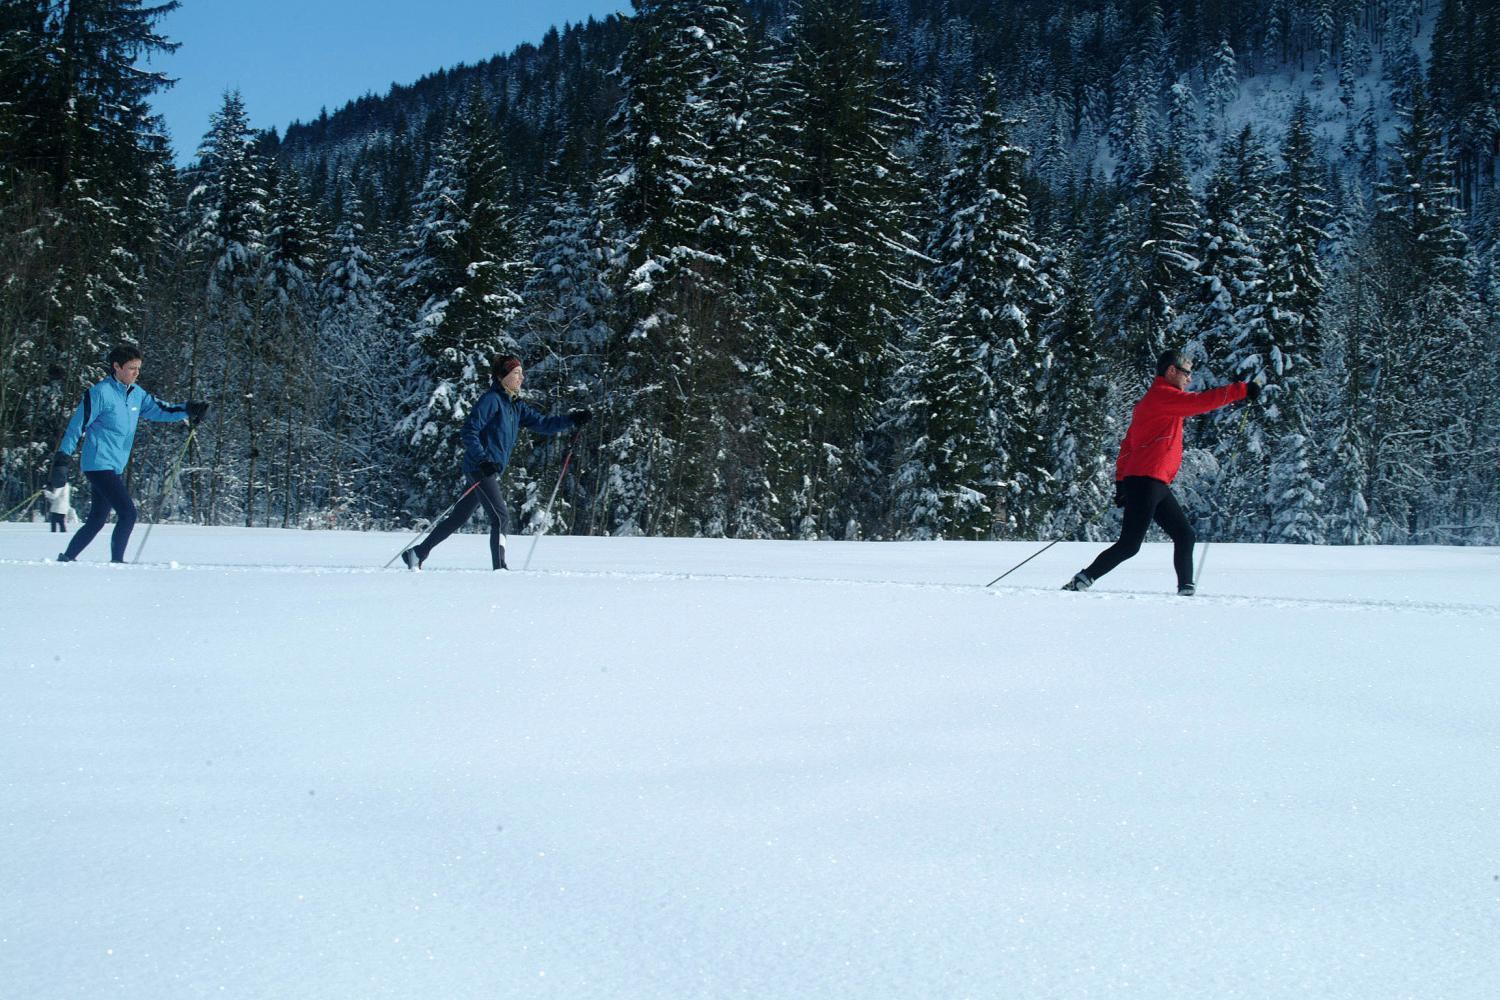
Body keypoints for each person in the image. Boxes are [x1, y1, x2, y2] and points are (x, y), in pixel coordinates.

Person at [1062, 349, 1262, 596]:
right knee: (1129, 545)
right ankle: (1082, 580)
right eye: (1187, 373)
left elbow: (1128, 444)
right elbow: (1199, 403)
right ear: (1171, 371)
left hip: (1151, 481)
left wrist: (1121, 482)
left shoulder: (1156, 400)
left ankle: (1186, 590)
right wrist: (1241, 390)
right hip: (1147, 480)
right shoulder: (1162, 396)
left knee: (1185, 535)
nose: (1190, 379)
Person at [402, 354, 590, 571]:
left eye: (521, 373)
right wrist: (482, 460)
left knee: (458, 517)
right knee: (500, 516)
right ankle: (499, 568)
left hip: (486, 468)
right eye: (516, 373)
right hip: (480, 468)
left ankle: (417, 553)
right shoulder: (491, 400)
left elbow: (543, 424)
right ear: (503, 376)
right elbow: (469, 431)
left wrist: (572, 419)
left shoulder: (515, 405)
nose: (521, 377)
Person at [51, 343, 208, 563]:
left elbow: (161, 409)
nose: (136, 373)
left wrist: (188, 408)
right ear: (116, 366)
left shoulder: (136, 394)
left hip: (114, 466)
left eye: (138, 368)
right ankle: (118, 563)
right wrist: (62, 461)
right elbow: (77, 426)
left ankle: (66, 558)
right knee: (128, 513)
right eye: (132, 368)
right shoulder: (99, 393)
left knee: (97, 519)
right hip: (97, 463)